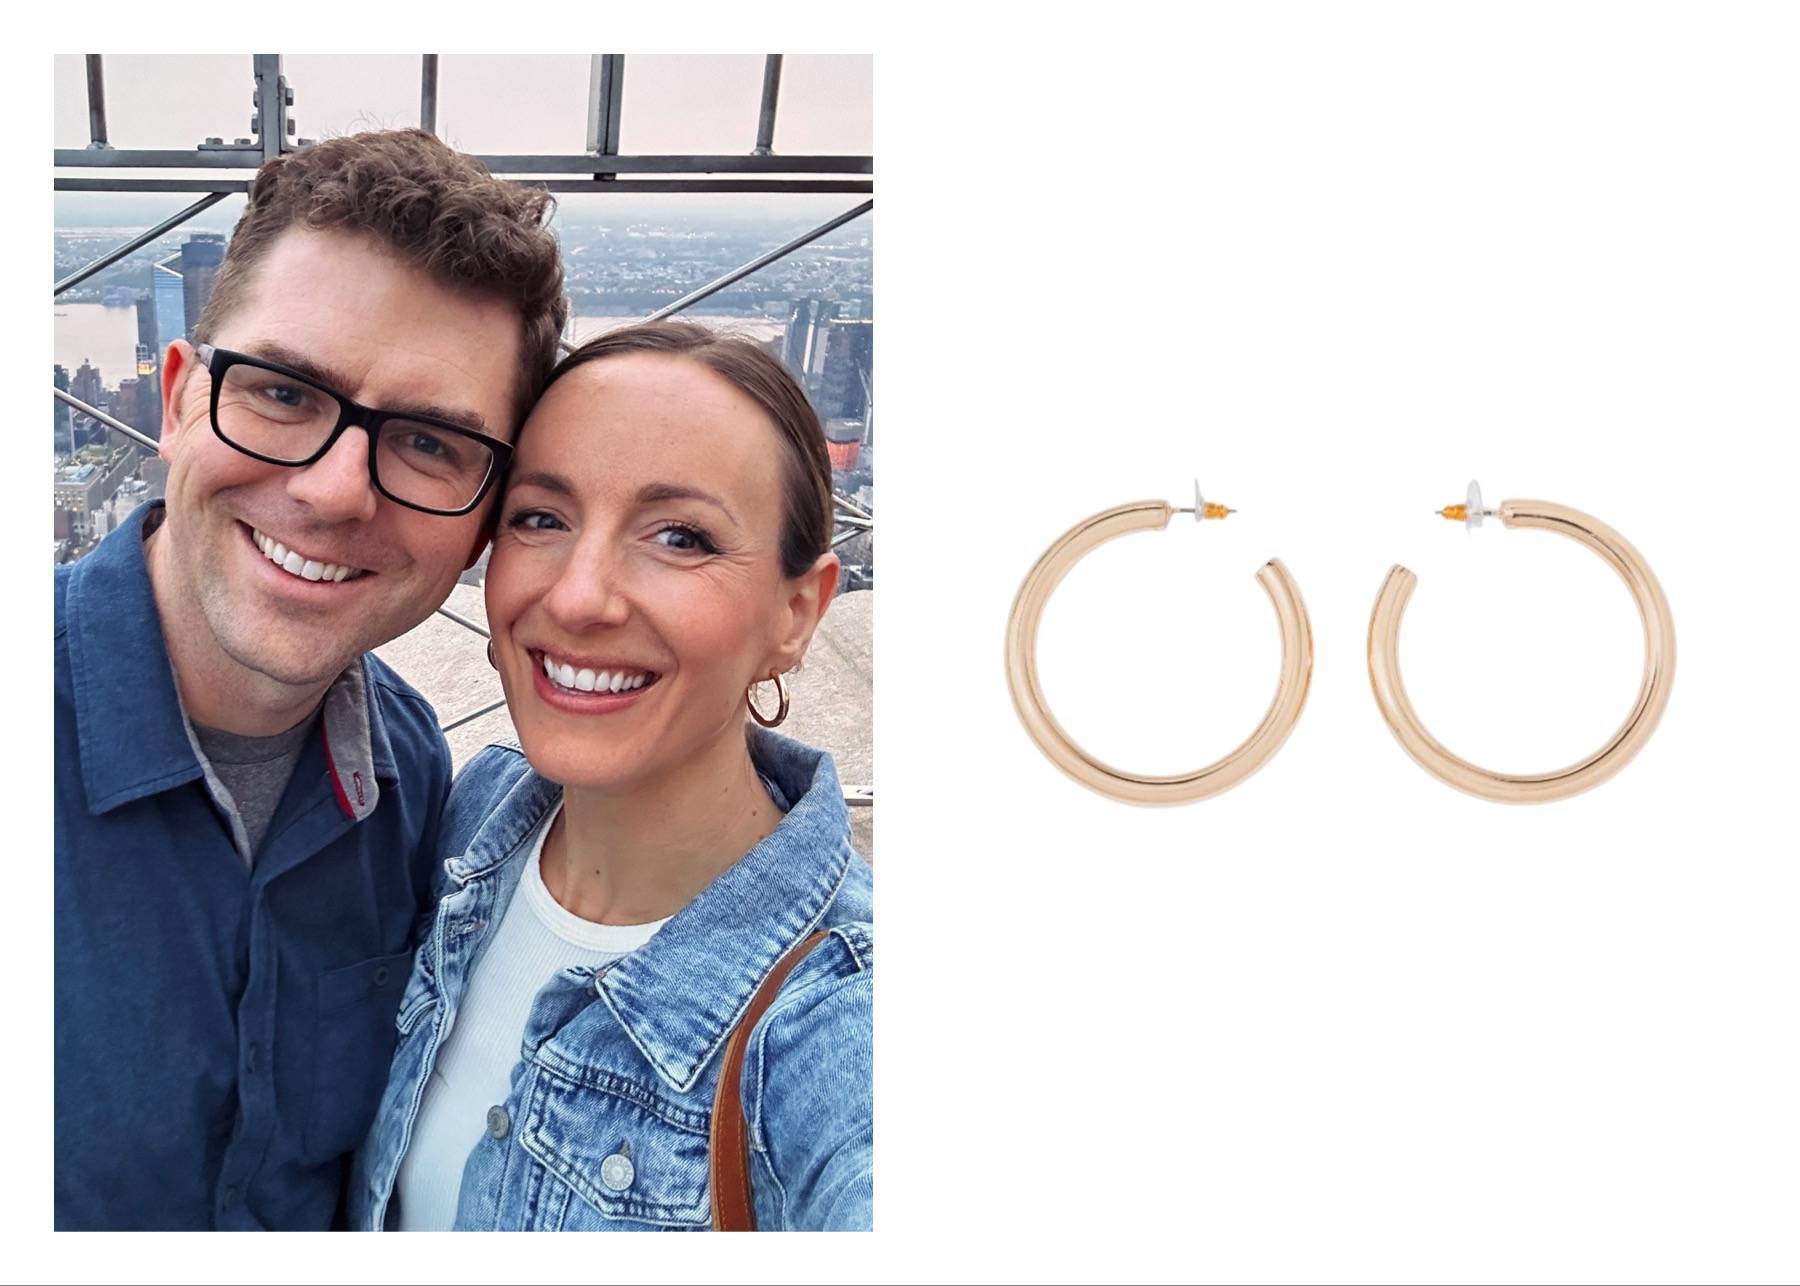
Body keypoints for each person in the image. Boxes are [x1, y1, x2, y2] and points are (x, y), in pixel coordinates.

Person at [54, 130, 568, 1230]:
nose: (336, 493)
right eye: (285, 392)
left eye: (430, 442)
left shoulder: (411, 768)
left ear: (484, 516)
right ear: (181, 399)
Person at [350, 322, 873, 1232]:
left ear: (797, 612)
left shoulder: (839, 1027)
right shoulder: (473, 817)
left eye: (680, 537)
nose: (580, 596)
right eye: (540, 518)